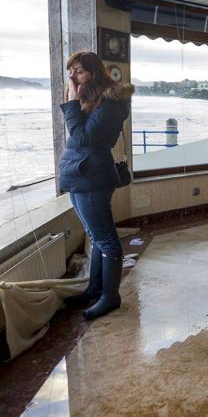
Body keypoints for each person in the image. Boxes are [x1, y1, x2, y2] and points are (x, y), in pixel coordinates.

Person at [60, 51, 134, 320]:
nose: (73, 76)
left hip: (93, 175)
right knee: (95, 237)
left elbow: (83, 138)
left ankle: (110, 296)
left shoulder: (111, 102)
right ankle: (94, 287)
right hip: (79, 173)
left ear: (93, 71)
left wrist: (71, 101)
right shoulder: (91, 98)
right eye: (70, 71)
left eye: (78, 71)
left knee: (106, 240)